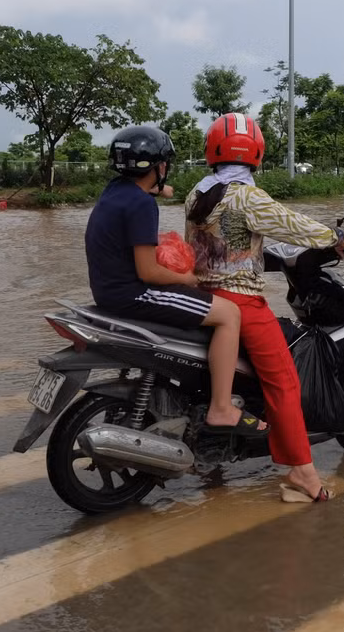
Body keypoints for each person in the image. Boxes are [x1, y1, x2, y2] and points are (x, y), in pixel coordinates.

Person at [186, 113, 344, 503]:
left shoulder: (198, 193)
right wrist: (337, 237)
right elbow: (291, 224)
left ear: (211, 150)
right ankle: (302, 473)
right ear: (257, 153)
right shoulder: (247, 196)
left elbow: (240, 239)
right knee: (284, 381)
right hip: (241, 302)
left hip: (202, 295)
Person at [84, 125, 255, 435]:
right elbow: (149, 272)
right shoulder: (141, 205)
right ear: (158, 166)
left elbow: (150, 192)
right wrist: (188, 278)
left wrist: (161, 190)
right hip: (134, 293)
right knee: (230, 314)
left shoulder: (115, 191)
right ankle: (221, 408)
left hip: (107, 291)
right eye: (165, 164)